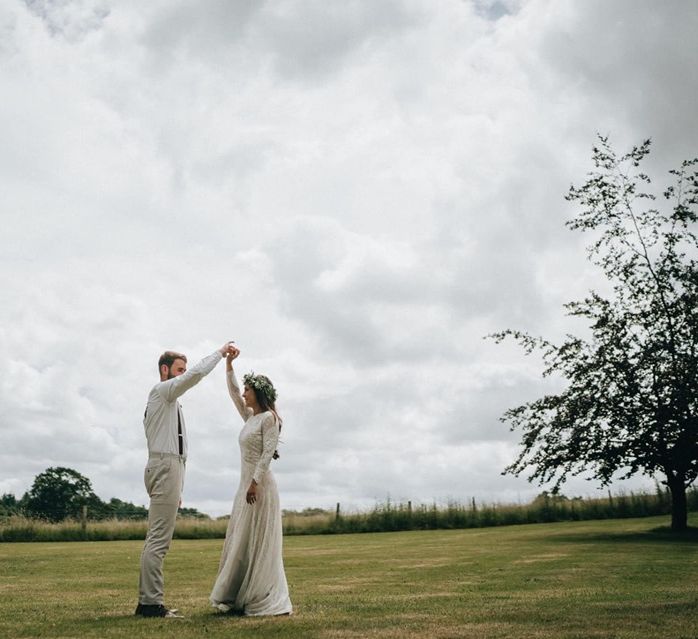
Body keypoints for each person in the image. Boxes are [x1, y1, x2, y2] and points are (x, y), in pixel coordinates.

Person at [136, 343, 233, 619]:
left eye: (184, 370)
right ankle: (151, 605)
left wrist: (178, 487)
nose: (183, 375)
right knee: (158, 541)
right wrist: (219, 353)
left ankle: (147, 602)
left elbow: (180, 450)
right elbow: (195, 376)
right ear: (164, 370)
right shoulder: (161, 392)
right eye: (179, 370)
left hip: (168, 468)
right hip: (165, 466)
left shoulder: (169, 401)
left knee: (155, 539)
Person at [209, 345, 293, 616]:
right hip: (244, 485)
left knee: (257, 539)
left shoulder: (269, 418)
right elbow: (233, 394)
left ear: (258, 393)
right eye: (245, 389)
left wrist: (255, 482)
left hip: (259, 487)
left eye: (248, 389)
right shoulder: (250, 417)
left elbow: (267, 452)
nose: (244, 393)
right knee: (241, 540)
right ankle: (234, 593)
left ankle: (260, 594)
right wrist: (229, 366)